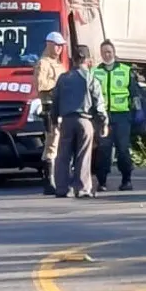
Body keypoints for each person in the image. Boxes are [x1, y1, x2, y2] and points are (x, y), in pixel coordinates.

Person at [51, 44, 108, 198]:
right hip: (85, 121)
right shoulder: (90, 78)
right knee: (83, 155)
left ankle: (62, 188)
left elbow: (55, 100)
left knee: (63, 155)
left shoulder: (63, 78)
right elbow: (98, 102)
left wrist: (54, 120)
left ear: (73, 60)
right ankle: (82, 189)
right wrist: (103, 122)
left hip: (67, 121)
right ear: (88, 60)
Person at [92, 40, 145, 192]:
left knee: (123, 149)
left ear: (114, 52)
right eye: (104, 52)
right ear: (101, 54)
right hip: (102, 117)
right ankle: (102, 181)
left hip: (122, 116)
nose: (106, 54)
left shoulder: (126, 70)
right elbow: (90, 95)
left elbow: (134, 93)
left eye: (109, 51)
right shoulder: (95, 72)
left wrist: (138, 111)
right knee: (103, 149)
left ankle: (126, 180)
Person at [33, 31, 66, 195]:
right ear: (49, 44)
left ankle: (56, 178)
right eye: (57, 44)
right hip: (49, 108)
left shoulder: (59, 64)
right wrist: (58, 85)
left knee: (59, 144)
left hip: (61, 108)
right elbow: (40, 85)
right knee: (52, 143)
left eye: (61, 45)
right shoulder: (43, 63)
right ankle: (48, 181)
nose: (60, 48)